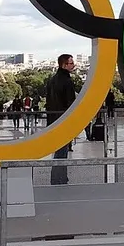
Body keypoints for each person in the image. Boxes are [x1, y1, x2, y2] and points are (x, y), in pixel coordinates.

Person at [47, 54, 77, 185]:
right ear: (64, 65)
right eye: (71, 63)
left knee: (59, 151)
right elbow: (70, 103)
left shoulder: (52, 80)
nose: (73, 65)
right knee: (62, 152)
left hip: (53, 119)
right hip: (64, 119)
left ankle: (58, 178)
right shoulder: (67, 81)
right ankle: (59, 179)